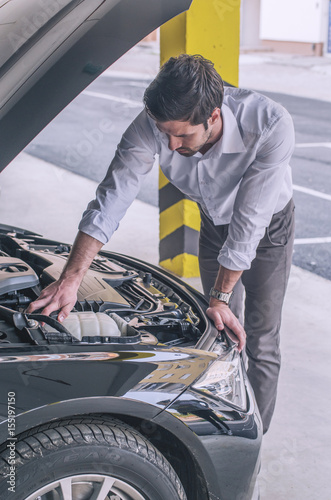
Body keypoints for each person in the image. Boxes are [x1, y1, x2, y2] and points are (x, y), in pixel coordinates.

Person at [27, 54, 295, 433]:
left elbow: (249, 225)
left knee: (259, 338)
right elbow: (112, 198)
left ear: (213, 117)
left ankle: (252, 439)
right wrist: (71, 278)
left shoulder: (269, 124)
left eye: (182, 135)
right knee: (221, 332)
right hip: (214, 221)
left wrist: (220, 295)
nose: (170, 144)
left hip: (269, 228)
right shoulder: (154, 124)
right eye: (164, 132)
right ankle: (226, 419)